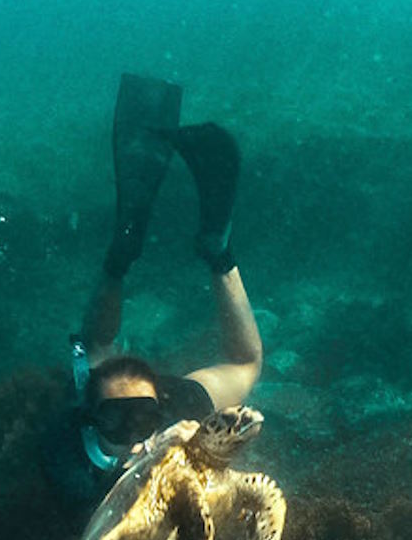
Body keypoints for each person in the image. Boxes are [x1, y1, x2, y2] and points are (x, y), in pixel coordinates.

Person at [43, 74, 264, 504]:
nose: (130, 438)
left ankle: (159, 253)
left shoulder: (176, 416)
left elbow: (245, 363)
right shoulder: (65, 455)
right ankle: (179, 250)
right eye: (114, 422)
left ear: (159, 412)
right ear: (91, 422)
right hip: (102, 393)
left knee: (98, 344)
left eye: (142, 421)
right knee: (92, 353)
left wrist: (223, 263)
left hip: (155, 394)